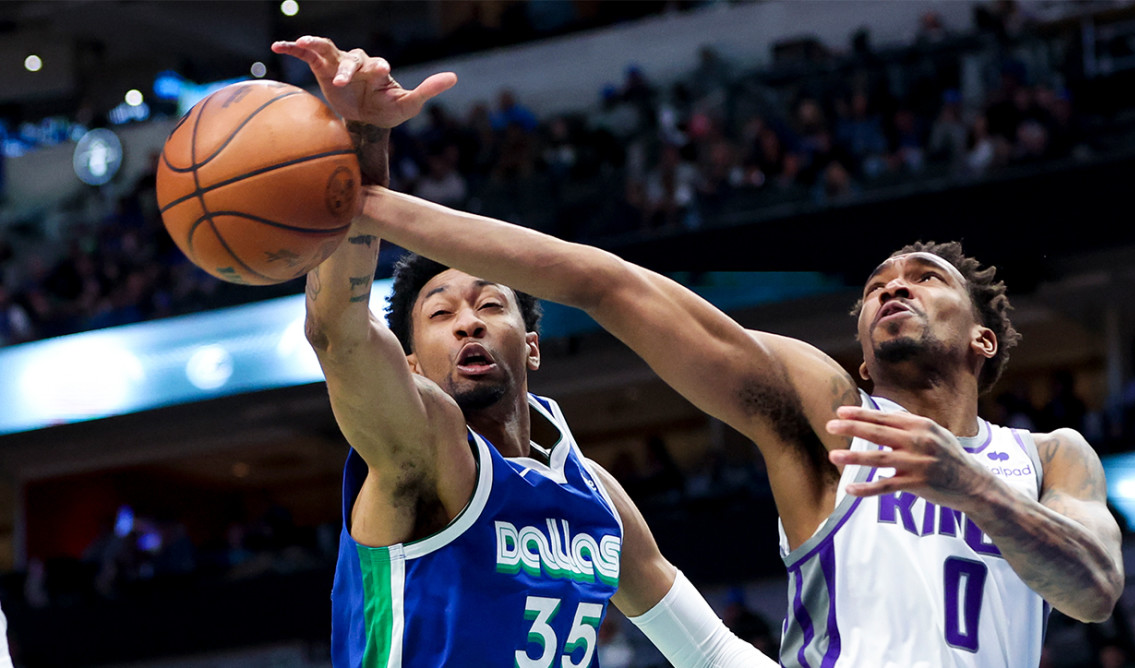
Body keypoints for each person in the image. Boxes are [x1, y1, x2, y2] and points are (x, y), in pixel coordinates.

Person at [333, 44, 1126, 668]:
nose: (893, 288)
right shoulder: (831, 415)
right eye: (877, 283)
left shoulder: (1052, 457)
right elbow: (608, 285)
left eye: (925, 279)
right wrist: (369, 198)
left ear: (983, 339)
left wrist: (970, 487)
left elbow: (1093, 589)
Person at [271, 36, 777, 668]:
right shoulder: (422, 447)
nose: (467, 325)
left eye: (488, 305)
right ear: (408, 364)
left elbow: (710, 652)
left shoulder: (595, 493)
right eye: (441, 313)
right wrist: (363, 141)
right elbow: (336, 332)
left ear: (532, 346)